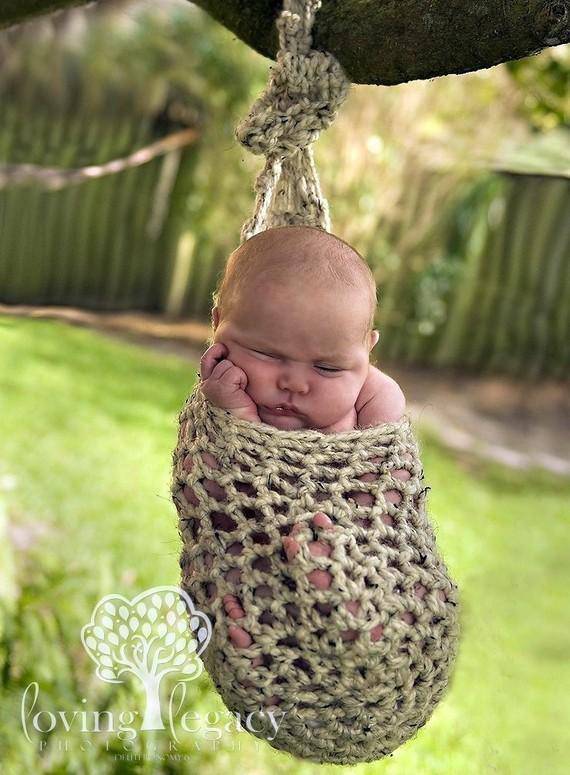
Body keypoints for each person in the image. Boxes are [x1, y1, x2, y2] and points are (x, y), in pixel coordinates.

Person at [187, 225, 436, 701]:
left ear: (368, 351)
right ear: (218, 327)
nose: (295, 383)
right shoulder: (228, 397)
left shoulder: (373, 397)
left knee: (385, 577)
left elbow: (389, 481)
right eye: (266, 354)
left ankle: (378, 621)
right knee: (242, 583)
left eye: (326, 368)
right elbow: (227, 475)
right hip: (262, 539)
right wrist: (234, 411)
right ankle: (260, 660)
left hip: (350, 537)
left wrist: (355, 520)